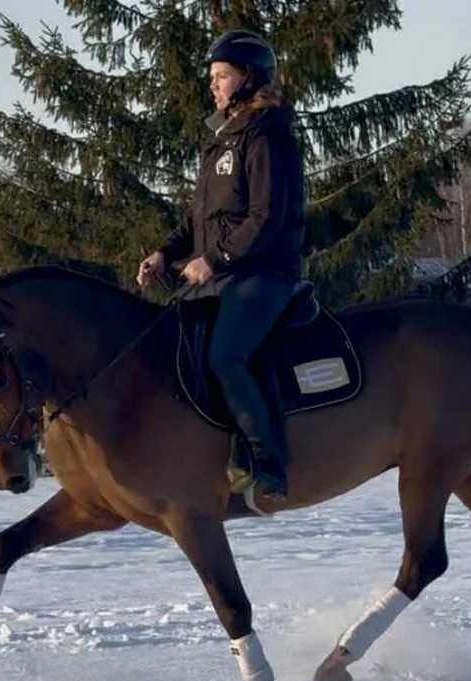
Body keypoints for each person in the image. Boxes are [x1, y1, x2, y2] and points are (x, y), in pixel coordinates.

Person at [137, 28, 306, 501]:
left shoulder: (268, 136)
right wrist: (165, 253)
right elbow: (199, 219)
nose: (212, 84)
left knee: (225, 357)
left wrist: (214, 259)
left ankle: (266, 460)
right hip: (224, 273)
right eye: (211, 76)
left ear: (250, 79)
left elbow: (266, 216)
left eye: (222, 75)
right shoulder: (219, 140)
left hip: (264, 273)